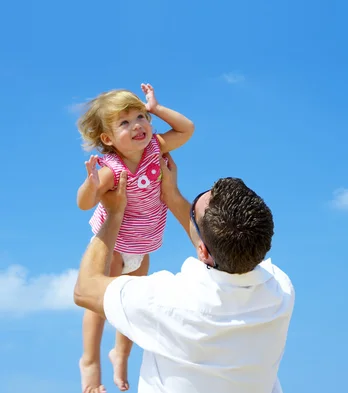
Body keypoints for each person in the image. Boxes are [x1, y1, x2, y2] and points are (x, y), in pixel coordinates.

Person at [73, 153, 295, 393]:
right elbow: (223, 250)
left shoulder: (166, 302)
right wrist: (171, 195)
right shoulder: (280, 291)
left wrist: (114, 214)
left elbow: (85, 289)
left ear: (202, 249)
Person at [75, 84, 195, 393]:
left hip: (142, 246)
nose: (137, 126)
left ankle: (121, 354)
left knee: (133, 303)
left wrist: (157, 108)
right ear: (108, 139)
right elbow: (84, 203)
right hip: (112, 246)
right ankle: (90, 362)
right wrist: (91, 185)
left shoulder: (156, 147)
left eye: (141, 117)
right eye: (124, 123)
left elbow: (186, 129)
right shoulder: (111, 170)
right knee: (102, 303)